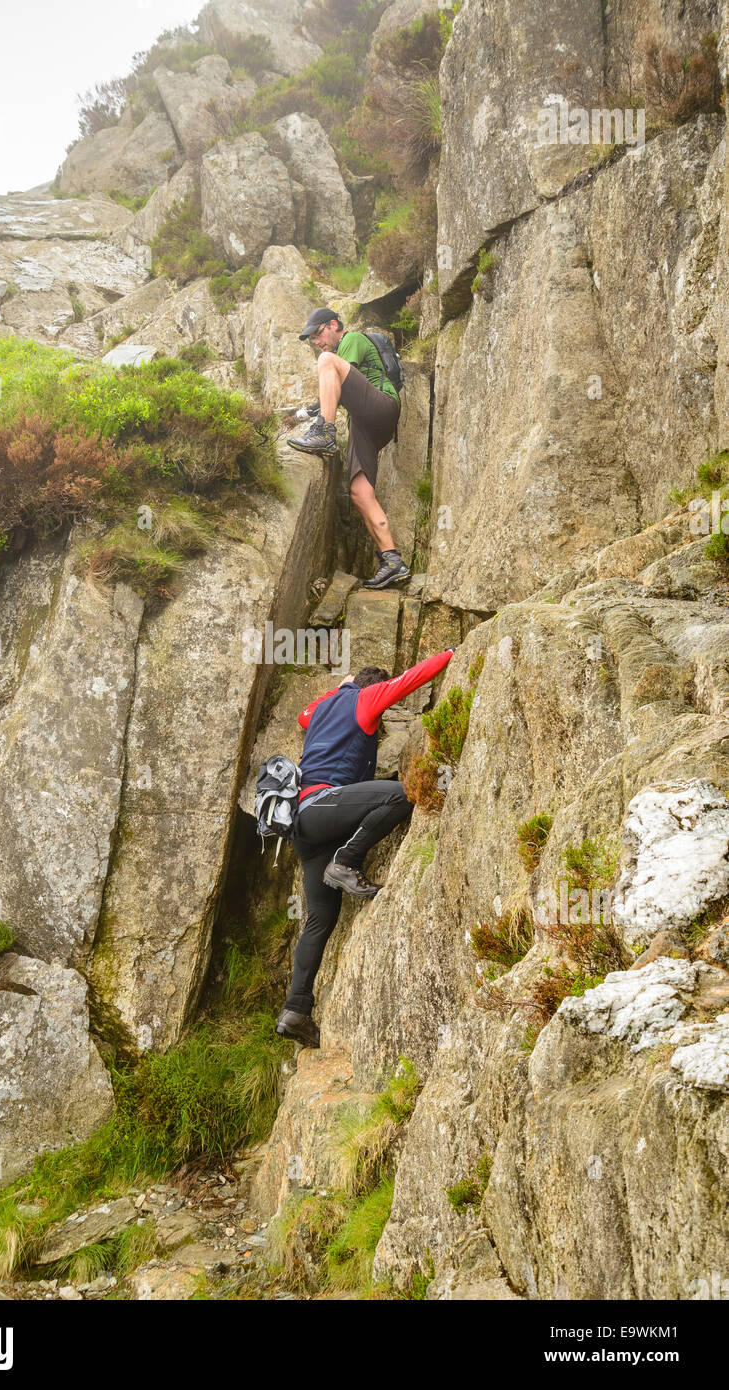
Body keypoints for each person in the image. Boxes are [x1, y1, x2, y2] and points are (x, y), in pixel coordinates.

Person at [275, 648, 454, 1047]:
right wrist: (451, 653)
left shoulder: (322, 709)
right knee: (400, 795)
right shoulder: (365, 699)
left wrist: (338, 688)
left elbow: (304, 714)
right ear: (372, 690)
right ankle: (346, 861)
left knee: (320, 919)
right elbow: (409, 680)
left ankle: (296, 1010)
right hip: (324, 807)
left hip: (304, 826)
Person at [287, 306, 408, 590]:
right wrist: (303, 413)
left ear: (333, 324)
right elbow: (336, 388)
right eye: (312, 339)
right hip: (364, 425)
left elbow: (338, 374)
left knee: (327, 360)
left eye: (318, 333)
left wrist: (317, 418)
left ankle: (325, 433)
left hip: (381, 406)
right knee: (359, 492)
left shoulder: (351, 340)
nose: (317, 342)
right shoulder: (335, 358)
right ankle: (393, 561)